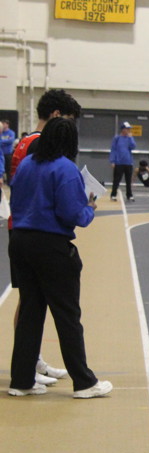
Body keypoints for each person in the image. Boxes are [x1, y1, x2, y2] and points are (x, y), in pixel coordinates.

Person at [8, 117, 112, 398]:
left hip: (20, 241)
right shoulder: (65, 168)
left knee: (30, 312)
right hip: (51, 247)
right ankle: (84, 383)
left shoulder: (27, 164)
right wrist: (89, 208)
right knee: (67, 315)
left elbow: (15, 198)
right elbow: (71, 214)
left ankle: (21, 380)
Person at [7, 89, 82, 386]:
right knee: (33, 304)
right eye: (68, 120)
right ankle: (29, 363)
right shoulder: (41, 147)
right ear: (56, 116)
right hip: (38, 228)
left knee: (30, 301)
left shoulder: (25, 141)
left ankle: (29, 363)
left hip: (22, 226)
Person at [109, 121, 136, 202]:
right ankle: (113, 195)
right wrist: (112, 161)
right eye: (127, 129)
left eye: (129, 129)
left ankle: (129, 195)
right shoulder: (117, 138)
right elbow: (113, 149)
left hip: (128, 162)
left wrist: (131, 138)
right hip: (118, 162)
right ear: (123, 129)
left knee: (128, 180)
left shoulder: (129, 138)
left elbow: (133, 146)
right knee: (116, 180)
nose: (129, 130)